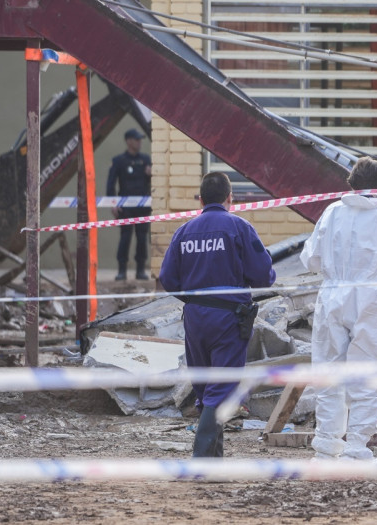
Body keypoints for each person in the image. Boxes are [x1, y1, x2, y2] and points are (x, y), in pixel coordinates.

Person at [300, 157, 377, 460]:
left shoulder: (332, 212)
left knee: (328, 372)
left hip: (333, 294)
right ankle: (356, 449)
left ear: (352, 181)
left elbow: (310, 258)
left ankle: (326, 448)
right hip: (369, 296)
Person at [159, 172, 276, 458]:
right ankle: (201, 460)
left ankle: (214, 461)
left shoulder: (184, 231)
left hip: (196, 318)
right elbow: (264, 275)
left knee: (205, 388)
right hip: (228, 318)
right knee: (221, 387)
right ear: (229, 198)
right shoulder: (239, 227)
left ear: (200, 199)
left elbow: (167, 278)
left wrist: (196, 297)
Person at [106, 128, 152, 280]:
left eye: (140, 140)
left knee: (142, 238)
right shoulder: (119, 161)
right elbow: (111, 184)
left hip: (143, 207)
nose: (139, 142)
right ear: (129, 141)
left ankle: (140, 270)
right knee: (125, 237)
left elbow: (155, 183)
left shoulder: (146, 160)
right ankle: (122, 270)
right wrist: (113, 203)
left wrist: (152, 174)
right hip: (125, 207)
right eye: (137, 139)